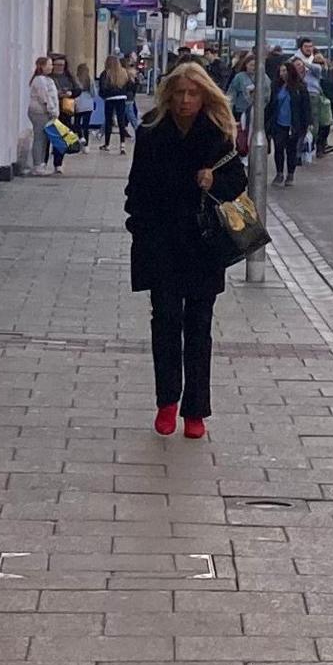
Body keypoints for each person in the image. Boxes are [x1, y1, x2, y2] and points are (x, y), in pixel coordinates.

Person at [124, 64, 246, 440]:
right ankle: (166, 402)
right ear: (168, 95)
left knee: (198, 326)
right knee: (164, 322)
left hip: (202, 242)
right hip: (161, 240)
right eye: (179, 93)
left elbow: (237, 181)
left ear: (205, 96)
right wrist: (139, 227)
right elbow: (136, 188)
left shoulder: (217, 133)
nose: (185, 101)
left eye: (193, 94)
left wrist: (214, 180)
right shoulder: (150, 132)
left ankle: (196, 410)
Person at [265, 57, 310, 187]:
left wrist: (306, 124)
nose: (282, 73)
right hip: (278, 123)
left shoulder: (299, 87)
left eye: (285, 71)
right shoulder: (276, 87)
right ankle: (279, 173)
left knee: (291, 150)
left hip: (293, 124)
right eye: (281, 71)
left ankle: (290, 174)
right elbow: (270, 105)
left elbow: (305, 107)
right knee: (278, 149)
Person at [28, 55, 68, 174]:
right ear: (42, 66)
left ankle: (40, 163)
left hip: (46, 112)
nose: (51, 67)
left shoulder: (47, 79)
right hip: (40, 112)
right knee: (40, 138)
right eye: (49, 64)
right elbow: (44, 97)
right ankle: (37, 165)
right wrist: (52, 110)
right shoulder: (39, 80)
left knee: (44, 139)